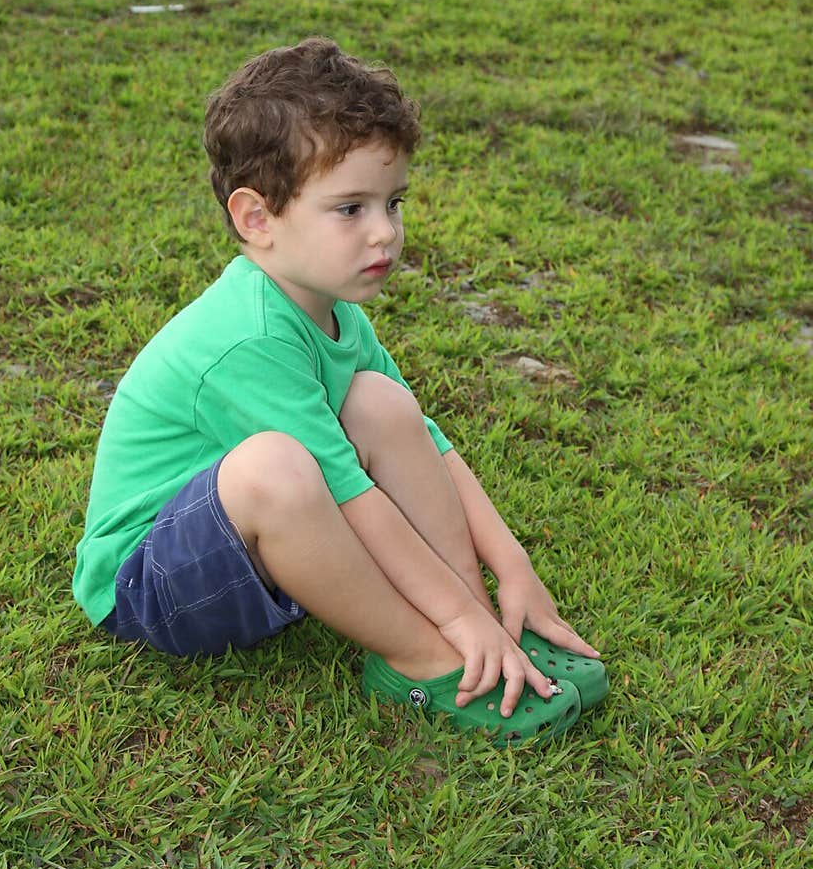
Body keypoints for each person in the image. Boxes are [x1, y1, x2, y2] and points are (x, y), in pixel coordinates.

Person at [73, 37, 607, 746]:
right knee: (278, 468)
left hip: (251, 550)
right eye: (350, 208)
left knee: (384, 405)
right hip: (150, 587)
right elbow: (352, 497)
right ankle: (422, 658)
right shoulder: (251, 336)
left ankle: (477, 638)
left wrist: (509, 574)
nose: (385, 231)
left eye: (393, 201)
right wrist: (452, 621)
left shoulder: (332, 308)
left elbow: (428, 447)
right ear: (257, 219)